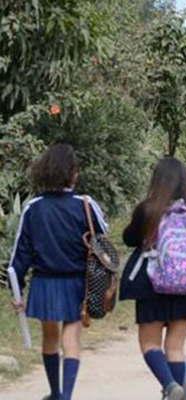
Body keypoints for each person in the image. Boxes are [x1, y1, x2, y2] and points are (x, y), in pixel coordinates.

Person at [9, 144, 108, 400]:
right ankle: (66, 395)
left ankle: (55, 392)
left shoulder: (34, 207)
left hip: (44, 282)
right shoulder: (85, 204)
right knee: (71, 339)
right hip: (77, 282)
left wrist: (17, 290)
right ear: (72, 173)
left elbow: (20, 254)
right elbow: (103, 239)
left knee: (50, 338)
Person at [119, 157, 186, 400]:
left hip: (152, 287)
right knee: (176, 347)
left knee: (150, 345)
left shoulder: (149, 209)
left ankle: (169, 385)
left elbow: (129, 239)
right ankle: (174, 392)